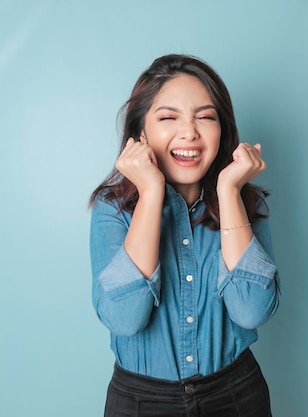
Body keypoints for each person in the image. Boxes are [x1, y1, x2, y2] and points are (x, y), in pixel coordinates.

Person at [89, 54, 280, 417]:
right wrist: (149, 193)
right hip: (141, 402)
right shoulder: (111, 210)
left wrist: (229, 192)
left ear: (222, 130)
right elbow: (124, 318)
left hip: (237, 396)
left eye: (205, 117)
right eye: (168, 117)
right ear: (140, 133)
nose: (189, 132)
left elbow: (251, 310)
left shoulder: (246, 203)